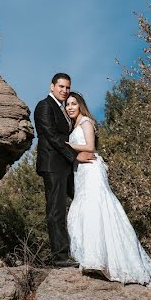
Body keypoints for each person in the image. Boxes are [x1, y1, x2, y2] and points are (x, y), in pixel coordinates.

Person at [64, 92, 151, 298]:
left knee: (97, 208)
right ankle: (91, 257)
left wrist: (68, 146)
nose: (70, 107)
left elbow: (91, 147)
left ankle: (98, 259)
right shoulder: (73, 126)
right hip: (81, 172)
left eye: (73, 103)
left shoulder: (86, 122)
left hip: (92, 171)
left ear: (81, 105)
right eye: (67, 105)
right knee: (84, 209)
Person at [34, 73, 94, 267]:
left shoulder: (63, 109)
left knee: (83, 204)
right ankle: (60, 257)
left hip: (67, 167)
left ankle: (88, 249)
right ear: (52, 86)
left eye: (67, 87)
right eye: (61, 86)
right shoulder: (44, 106)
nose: (64, 91)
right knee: (56, 210)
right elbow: (51, 136)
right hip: (53, 166)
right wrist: (75, 157)